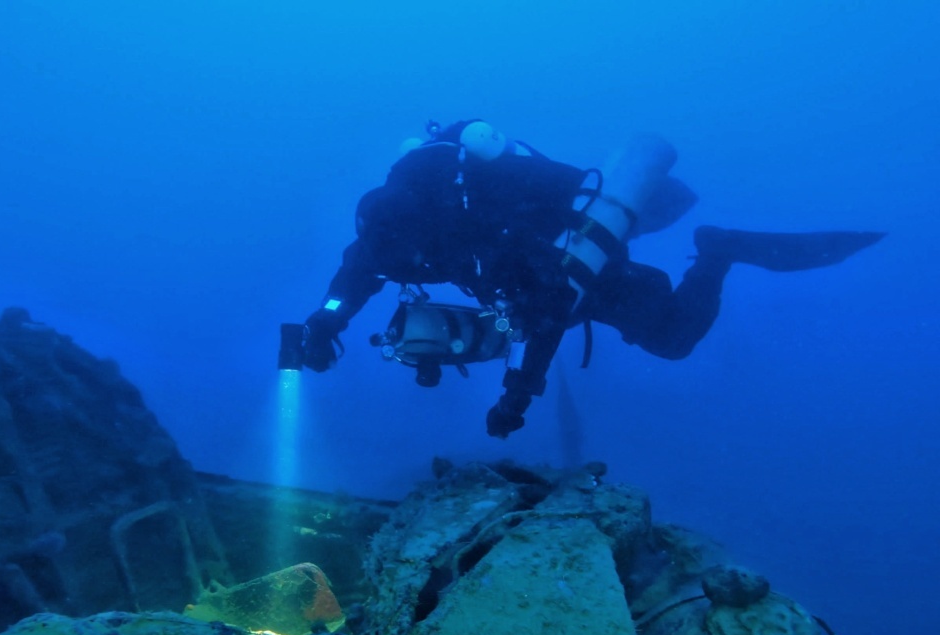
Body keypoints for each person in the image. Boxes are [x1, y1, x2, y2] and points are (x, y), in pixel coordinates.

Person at [293, 119, 884, 438]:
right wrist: (325, 322)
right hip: (535, 273)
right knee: (558, 308)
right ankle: (710, 252)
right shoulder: (389, 233)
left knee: (673, 340)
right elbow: (355, 276)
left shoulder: (494, 234)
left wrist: (519, 393)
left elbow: (549, 313)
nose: (410, 274)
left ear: (426, 235)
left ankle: (717, 251)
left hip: (574, 264)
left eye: (411, 263)